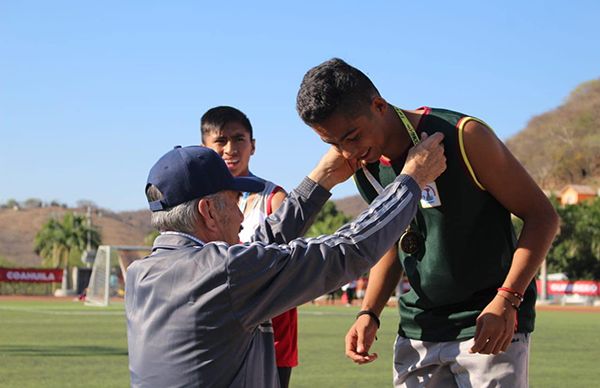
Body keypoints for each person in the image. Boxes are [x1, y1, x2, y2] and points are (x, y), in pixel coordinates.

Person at [296, 58, 560, 387]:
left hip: (487, 325)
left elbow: (543, 217)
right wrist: (370, 312)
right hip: (418, 330)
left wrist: (507, 300)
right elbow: (392, 240)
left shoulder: (464, 137)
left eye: (351, 137)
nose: (346, 152)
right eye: (332, 144)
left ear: (378, 105)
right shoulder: (364, 164)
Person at [126, 138, 445, 387]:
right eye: (235, 202)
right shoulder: (224, 272)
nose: (241, 215)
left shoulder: (142, 274)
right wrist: (410, 181)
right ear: (208, 211)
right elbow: (341, 252)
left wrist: (320, 181)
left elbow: (260, 249)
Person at [201, 106, 296, 388]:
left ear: (253, 145)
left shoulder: (275, 198)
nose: (231, 148)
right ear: (204, 147)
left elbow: (287, 269)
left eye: (239, 139)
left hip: (273, 328)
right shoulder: (197, 202)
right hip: (219, 327)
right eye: (220, 140)